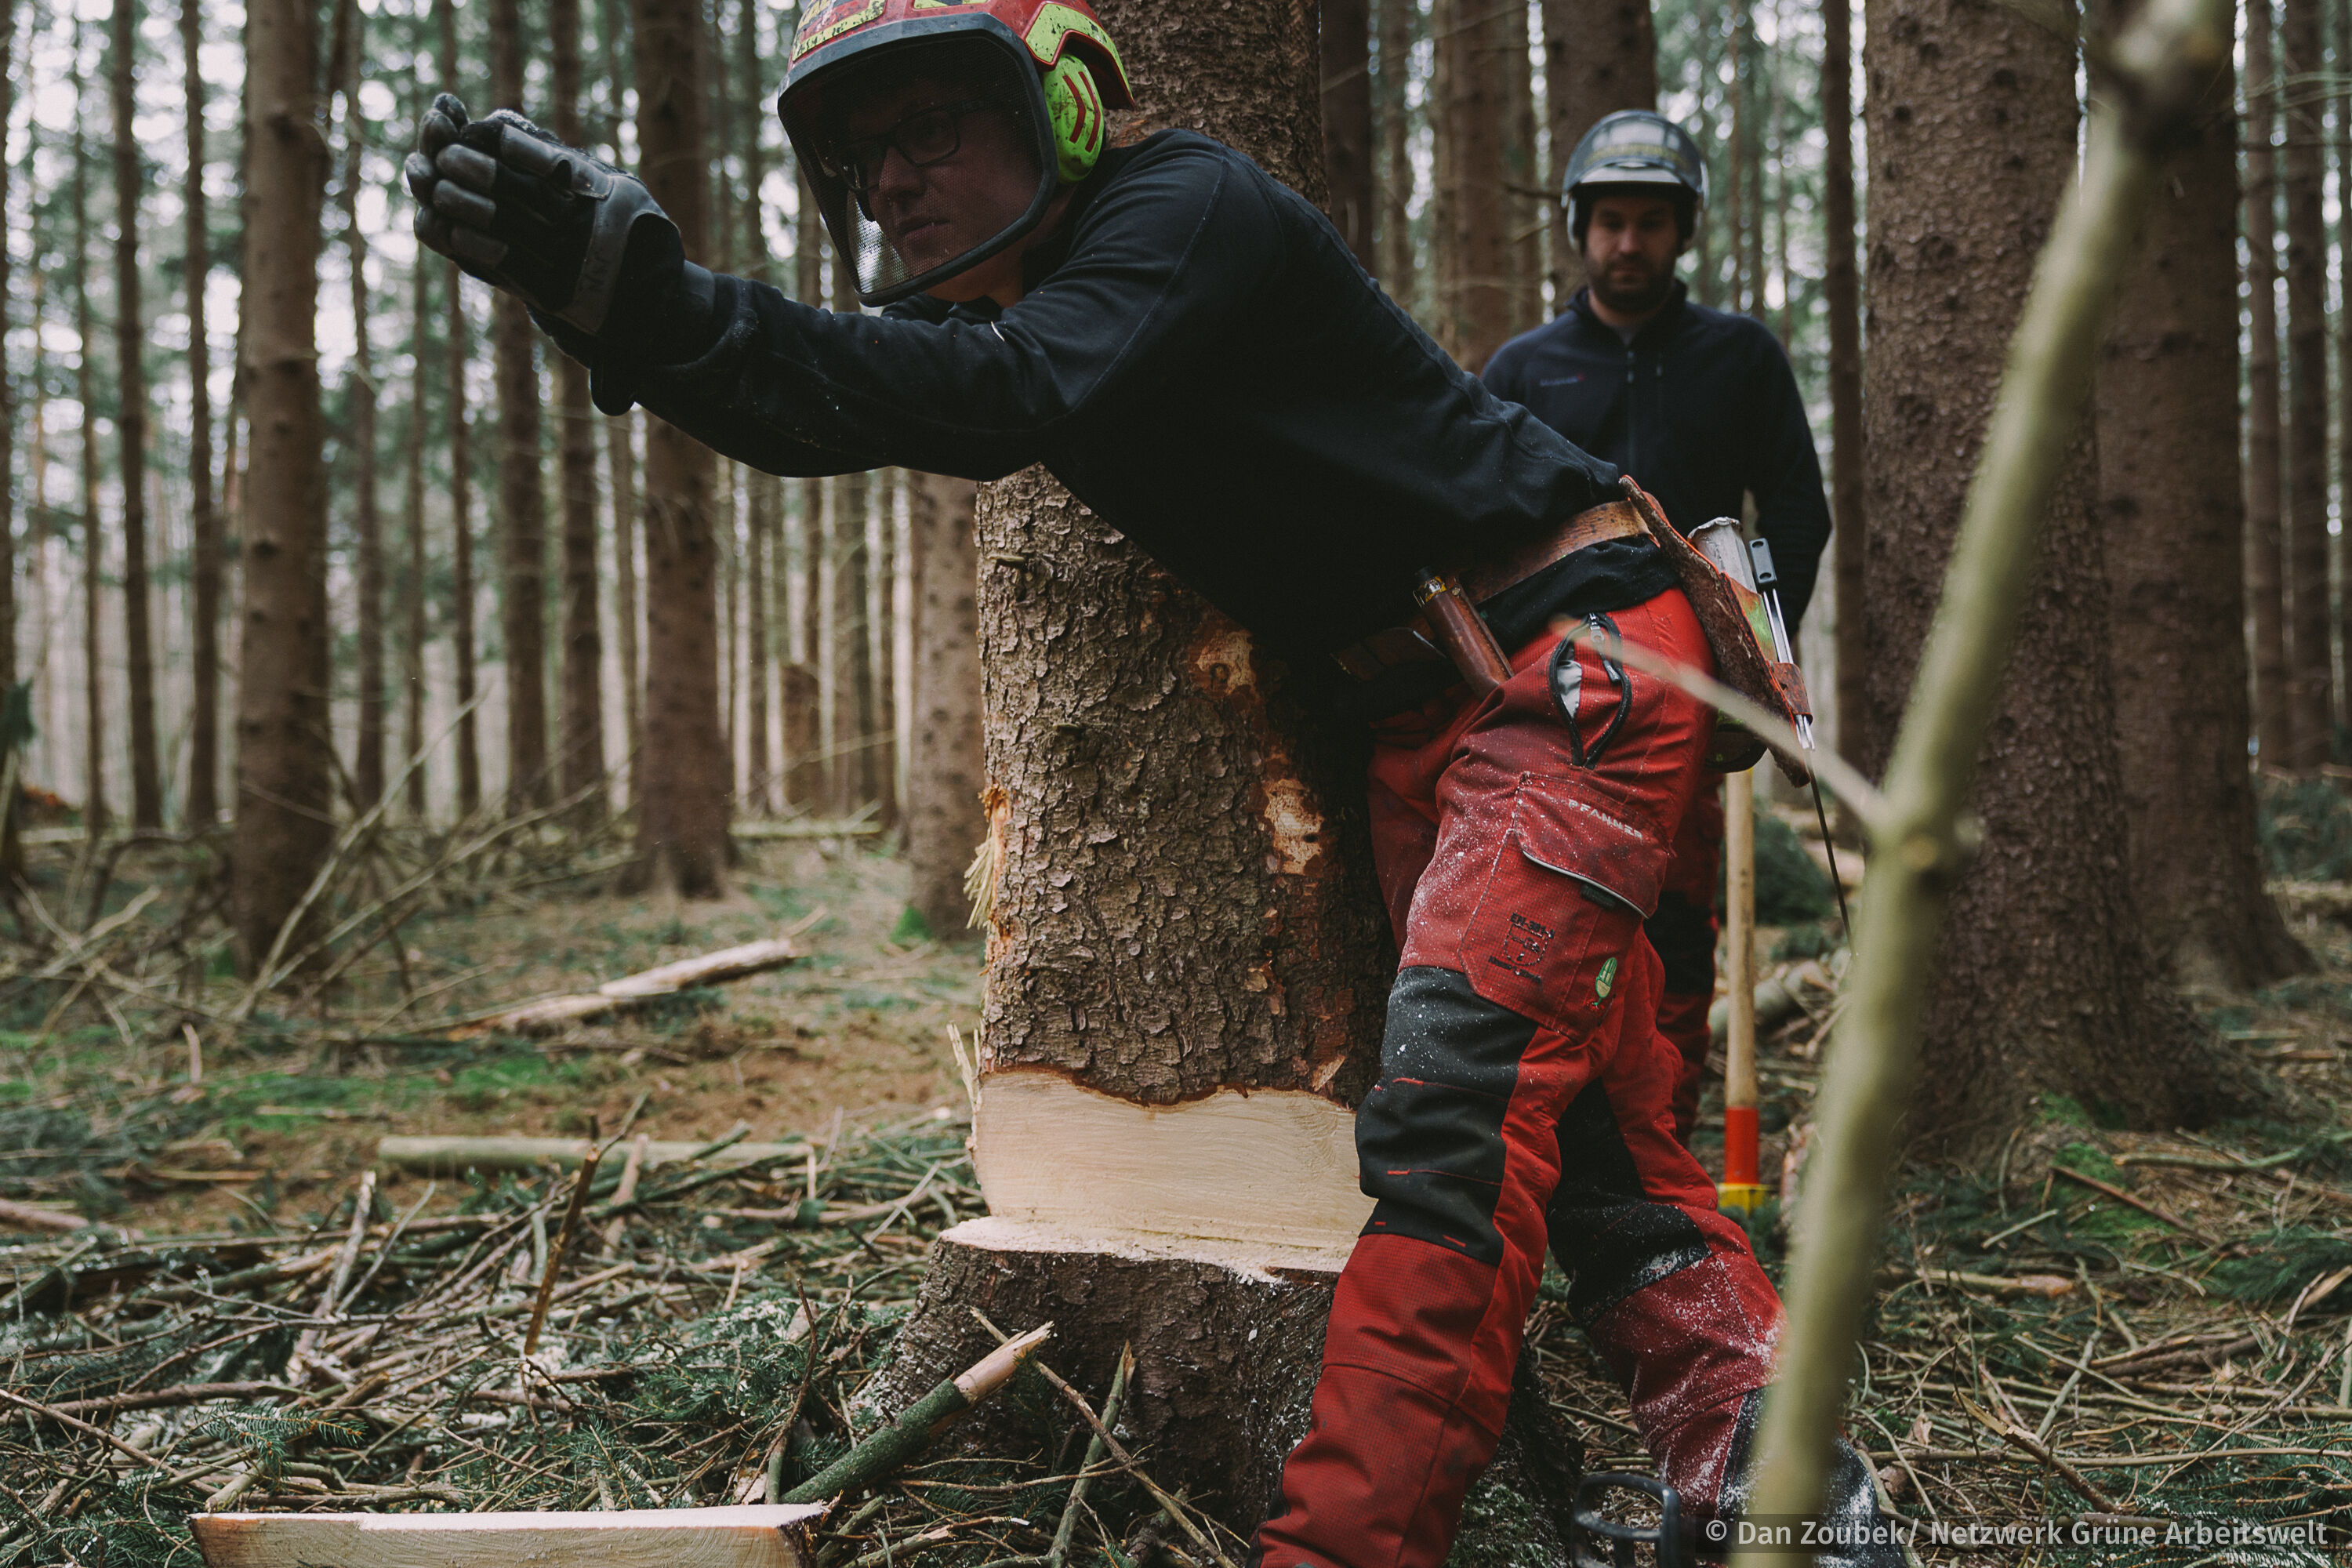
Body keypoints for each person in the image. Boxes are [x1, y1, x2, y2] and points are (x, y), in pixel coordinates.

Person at [401, 6, 1893, 1563]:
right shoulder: (1062, 306)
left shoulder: (1177, 209)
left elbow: (986, 399)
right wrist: (614, 310)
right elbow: (837, 405)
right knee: (1604, 1143)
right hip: (1442, 700)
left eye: (931, 131)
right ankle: (1780, 1488)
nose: (893, 181)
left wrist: (663, 300)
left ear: (1053, 109)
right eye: (864, 157)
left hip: (1567, 657)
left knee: (1456, 1124)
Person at [1483, 111, 1835, 1149]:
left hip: (1694, 693)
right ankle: (1552, 1145)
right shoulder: (1521, 371)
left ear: (1681, 231)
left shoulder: (1740, 358)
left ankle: (1660, 1143)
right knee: (1548, 921)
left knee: (1674, 927)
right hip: (1554, 698)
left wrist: (1762, 656)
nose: (1627, 243)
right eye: (1610, 222)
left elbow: (1797, 514)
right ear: (1578, 228)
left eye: (1649, 222)